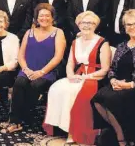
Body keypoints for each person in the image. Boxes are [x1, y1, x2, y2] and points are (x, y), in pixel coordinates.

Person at [43, 11, 111, 145]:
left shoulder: (102, 42)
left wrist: (87, 76)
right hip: (78, 75)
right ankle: (63, 127)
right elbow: (70, 63)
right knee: (57, 88)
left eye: (90, 23)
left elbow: (105, 69)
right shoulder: (75, 42)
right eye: (83, 22)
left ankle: (74, 132)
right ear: (78, 25)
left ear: (95, 25)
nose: (87, 25)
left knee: (73, 93)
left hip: (95, 78)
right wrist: (70, 75)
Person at [91, 9, 135, 145]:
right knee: (97, 99)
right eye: (128, 25)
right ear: (125, 28)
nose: (132, 27)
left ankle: (121, 139)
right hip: (118, 83)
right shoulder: (121, 46)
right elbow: (112, 68)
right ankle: (120, 132)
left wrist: (130, 84)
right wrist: (113, 80)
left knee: (111, 100)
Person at [5, 3, 66, 133]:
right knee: (19, 82)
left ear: (52, 17)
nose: (44, 18)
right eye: (41, 15)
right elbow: (21, 55)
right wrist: (26, 69)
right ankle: (15, 121)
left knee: (35, 85)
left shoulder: (58, 32)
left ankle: (26, 117)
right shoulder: (29, 32)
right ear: (36, 18)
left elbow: (58, 57)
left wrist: (42, 72)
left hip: (47, 72)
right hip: (28, 69)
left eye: (47, 15)